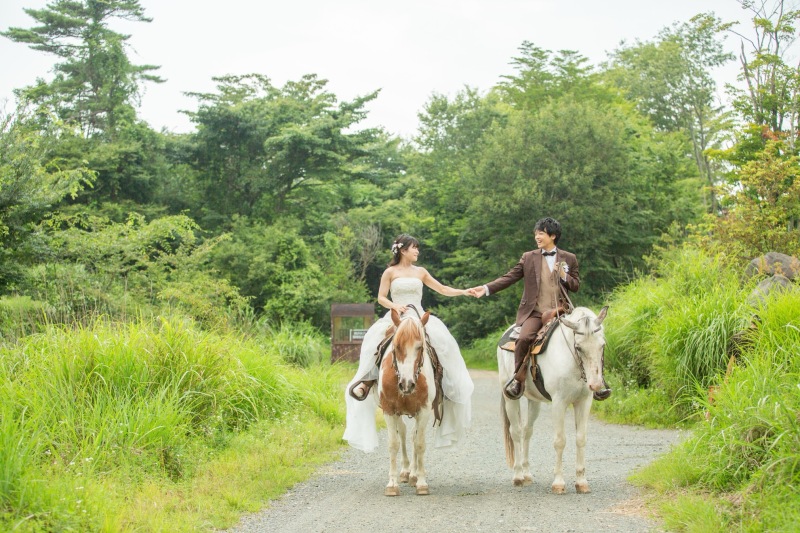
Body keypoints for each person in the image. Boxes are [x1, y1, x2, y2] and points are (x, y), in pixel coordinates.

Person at [343, 234, 474, 453]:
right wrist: (395, 306)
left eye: (417, 249)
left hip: (418, 316)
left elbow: (441, 289)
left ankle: (443, 384)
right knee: (377, 343)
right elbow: (381, 297)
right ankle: (369, 380)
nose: (417, 252)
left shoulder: (420, 272)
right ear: (402, 250)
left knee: (441, 346)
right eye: (414, 248)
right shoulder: (390, 272)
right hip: (397, 316)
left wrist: (463, 291)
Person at [468, 217, 580, 399]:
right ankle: (518, 380)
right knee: (524, 338)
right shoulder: (529, 257)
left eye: (541, 233)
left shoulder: (570, 258)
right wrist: (486, 288)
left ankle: (593, 381)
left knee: (588, 338)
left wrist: (563, 275)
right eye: (536, 233)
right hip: (535, 312)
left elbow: (576, 286)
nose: (537, 236)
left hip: (561, 311)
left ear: (553, 236)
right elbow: (510, 277)